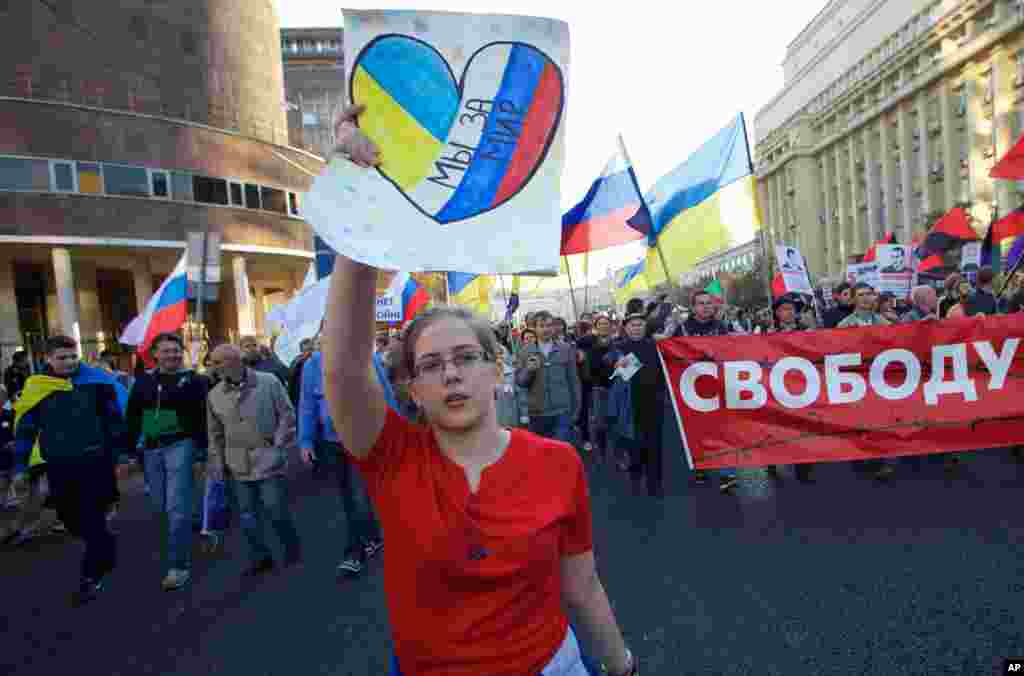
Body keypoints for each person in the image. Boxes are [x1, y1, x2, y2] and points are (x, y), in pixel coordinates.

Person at [322, 105, 637, 676]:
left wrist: (622, 667)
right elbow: (344, 366)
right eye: (431, 364)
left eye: (467, 357)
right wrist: (358, 198)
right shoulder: (391, 457)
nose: (450, 373)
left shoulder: (558, 462)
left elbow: (582, 585)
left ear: (497, 370)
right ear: (412, 388)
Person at [12, 335, 129, 606]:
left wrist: (121, 455)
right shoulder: (37, 387)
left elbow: (114, 422)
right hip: (60, 465)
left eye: (73, 356)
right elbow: (26, 431)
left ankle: (91, 575)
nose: (69, 362)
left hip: (96, 462)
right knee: (69, 518)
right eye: (62, 357)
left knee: (92, 516)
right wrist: (20, 467)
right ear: (48, 359)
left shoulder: (98, 384)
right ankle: (103, 543)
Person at [125, 332, 210, 591]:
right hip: (152, 448)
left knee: (175, 508)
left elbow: (205, 417)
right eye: (166, 351)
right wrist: (127, 451)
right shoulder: (142, 381)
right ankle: (192, 520)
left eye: (176, 350)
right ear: (154, 354)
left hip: (181, 446)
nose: (172, 354)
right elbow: (133, 416)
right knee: (162, 504)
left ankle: (178, 566)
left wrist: (203, 451)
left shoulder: (195, 380)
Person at [207, 344, 301, 576]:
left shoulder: (268, 382)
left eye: (218, 362)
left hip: (268, 458)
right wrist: (217, 463)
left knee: (275, 509)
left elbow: (287, 414)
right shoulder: (214, 395)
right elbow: (214, 433)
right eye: (213, 363)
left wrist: (279, 443)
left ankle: (291, 550)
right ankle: (261, 557)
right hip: (237, 463)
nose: (213, 367)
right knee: (247, 516)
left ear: (236, 361)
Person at [298, 348, 383, 578]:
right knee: (347, 497)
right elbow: (307, 405)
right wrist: (305, 441)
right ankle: (364, 543)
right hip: (332, 442)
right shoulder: (312, 365)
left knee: (360, 496)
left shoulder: (368, 358)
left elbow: (386, 396)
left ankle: (360, 547)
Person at [674, 290, 739, 492]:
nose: (705, 307)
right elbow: (669, 352)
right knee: (698, 430)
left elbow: (738, 349)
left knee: (722, 430)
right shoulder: (682, 329)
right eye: (701, 303)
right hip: (692, 388)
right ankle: (701, 464)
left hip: (719, 386)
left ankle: (726, 473)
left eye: (709, 303)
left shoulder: (722, 327)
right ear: (693, 307)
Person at [608, 312, 668, 497]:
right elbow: (606, 361)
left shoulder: (656, 346)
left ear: (645, 327)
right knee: (633, 443)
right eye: (632, 325)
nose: (636, 328)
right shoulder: (619, 346)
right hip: (629, 403)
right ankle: (635, 473)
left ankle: (654, 482)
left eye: (640, 325)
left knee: (654, 443)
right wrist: (613, 363)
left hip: (654, 401)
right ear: (625, 328)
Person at [515, 310, 581, 444]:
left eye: (549, 325)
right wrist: (529, 370)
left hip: (562, 411)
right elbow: (520, 382)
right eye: (542, 326)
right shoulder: (525, 351)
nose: (546, 329)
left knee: (561, 452)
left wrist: (576, 408)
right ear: (534, 328)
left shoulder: (565, 349)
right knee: (543, 455)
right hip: (537, 413)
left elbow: (573, 380)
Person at [769, 295, 816, 483]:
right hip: (777, 385)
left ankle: (804, 466)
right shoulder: (767, 331)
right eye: (783, 309)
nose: (787, 313)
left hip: (802, 385)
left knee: (802, 426)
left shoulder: (806, 330)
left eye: (791, 309)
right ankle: (772, 460)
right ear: (777, 313)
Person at [287, 338, 316, 407]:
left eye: (310, 349)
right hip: (300, 398)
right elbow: (291, 382)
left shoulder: (317, 362)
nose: (308, 353)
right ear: (301, 351)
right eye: (306, 350)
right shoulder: (296, 363)